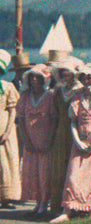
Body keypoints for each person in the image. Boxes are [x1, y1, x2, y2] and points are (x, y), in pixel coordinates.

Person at [50, 64, 91, 223]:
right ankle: (68, 210)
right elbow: (73, 122)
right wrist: (77, 141)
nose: (88, 80)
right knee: (74, 174)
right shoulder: (77, 97)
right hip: (80, 139)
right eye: (85, 77)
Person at [48, 50, 84, 214]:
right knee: (59, 169)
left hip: (76, 130)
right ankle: (58, 205)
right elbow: (54, 113)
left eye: (68, 74)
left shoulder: (80, 91)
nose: (65, 76)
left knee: (76, 169)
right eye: (63, 73)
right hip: (61, 131)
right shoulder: (58, 92)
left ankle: (76, 206)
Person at [17, 64, 55, 215]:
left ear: (44, 79)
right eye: (32, 77)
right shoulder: (25, 97)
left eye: (38, 77)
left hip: (44, 139)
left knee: (45, 172)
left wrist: (49, 141)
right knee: (32, 172)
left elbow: (54, 121)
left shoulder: (50, 96)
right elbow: (20, 120)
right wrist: (26, 141)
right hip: (30, 139)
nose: (34, 80)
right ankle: (37, 201)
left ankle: (45, 202)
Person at [0, 50, 22, 209]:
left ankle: (7, 197)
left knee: (7, 163)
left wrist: (7, 131)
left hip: (5, 128)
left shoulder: (7, 87)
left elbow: (13, 109)